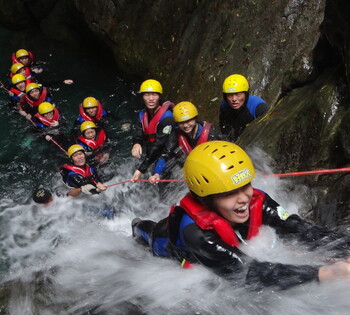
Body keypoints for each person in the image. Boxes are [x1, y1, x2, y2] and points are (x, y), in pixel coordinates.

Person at [132, 140, 350, 290]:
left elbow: (301, 230)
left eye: (245, 186)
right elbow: (246, 273)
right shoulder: (195, 232)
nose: (244, 198)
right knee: (145, 231)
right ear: (205, 198)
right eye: (229, 193)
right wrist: (324, 274)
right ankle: (135, 226)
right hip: (163, 241)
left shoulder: (256, 201)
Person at [149, 101, 219, 185]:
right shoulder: (175, 134)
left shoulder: (211, 135)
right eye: (181, 122)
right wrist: (157, 173)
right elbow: (166, 155)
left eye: (188, 120)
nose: (185, 125)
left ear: (195, 118)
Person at [131, 79, 175, 182]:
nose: (151, 99)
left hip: (168, 154)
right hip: (153, 152)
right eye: (147, 95)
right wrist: (136, 143)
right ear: (142, 97)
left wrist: (140, 170)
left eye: (154, 95)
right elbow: (138, 130)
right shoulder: (142, 115)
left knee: (161, 184)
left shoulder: (167, 117)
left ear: (159, 97)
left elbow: (159, 145)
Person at [219, 74, 268, 141]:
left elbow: (267, 132)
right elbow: (225, 132)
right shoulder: (224, 106)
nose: (234, 99)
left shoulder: (258, 106)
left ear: (246, 94)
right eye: (229, 95)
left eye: (238, 94)